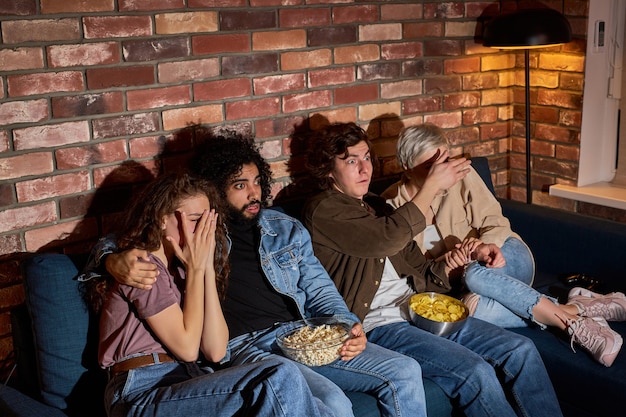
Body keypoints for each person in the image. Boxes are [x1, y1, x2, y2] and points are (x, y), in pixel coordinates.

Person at [87, 133, 429, 417]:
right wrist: (109, 260)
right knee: (334, 403)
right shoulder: (196, 236)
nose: (254, 193)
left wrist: (346, 325)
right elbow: (134, 238)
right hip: (245, 347)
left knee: (405, 370)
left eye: (256, 182)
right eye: (239, 185)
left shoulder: (283, 227)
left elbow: (319, 288)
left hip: (300, 336)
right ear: (216, 190)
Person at [301, 121, 566, 417]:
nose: (365, 169)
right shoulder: (323, 209)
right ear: (327, 169)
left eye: (366, 158)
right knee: (474, 371)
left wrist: (448, 265)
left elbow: (424, 273)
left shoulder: (378, 206)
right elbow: (386, 239)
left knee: (521, 350)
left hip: (422, 307)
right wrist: (431, 187)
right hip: (380, 324)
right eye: (351, 161)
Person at [83, 172, 332, 417]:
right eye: (194, 220)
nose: (203, 231)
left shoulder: (181, 270)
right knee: (279, 375)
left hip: (191, 380)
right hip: (141, 390)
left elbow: (215, 350)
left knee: (320, 407)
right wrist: (195, 270)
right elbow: (188, 348)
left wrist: (205, 270)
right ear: (160, 218)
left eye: (207, 222)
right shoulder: (141, 266)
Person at [381, 123, 625, 366]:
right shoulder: (391, 207)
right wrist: (444, 263)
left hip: (506, 258)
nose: (442, 173)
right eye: (429, 168)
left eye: (444, 162)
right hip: (466, 288)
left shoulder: (462, 177)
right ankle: (576, 309)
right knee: (471, 309)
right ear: (406, 168)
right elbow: (410, 270)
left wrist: (481, 248)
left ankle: (572, 326)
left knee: (475, 274)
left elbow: (497, 223)